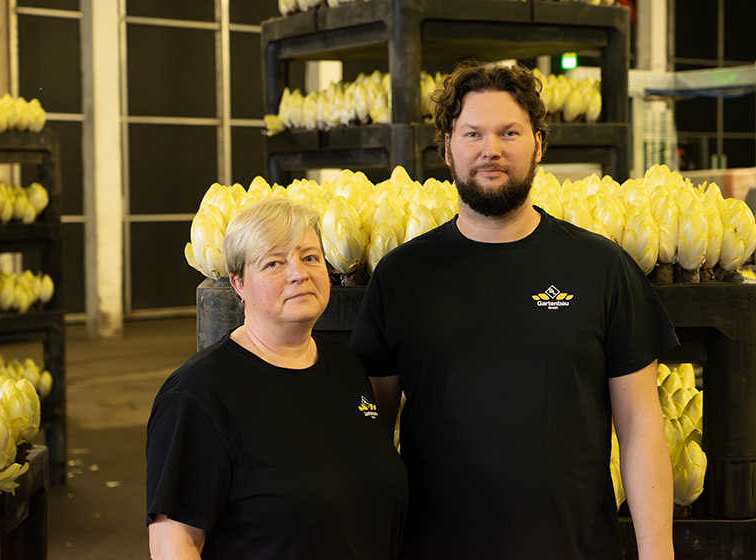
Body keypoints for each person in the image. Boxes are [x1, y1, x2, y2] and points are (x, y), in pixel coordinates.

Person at [349, 61, 678, 560]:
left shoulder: (601, 268)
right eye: (472, 134)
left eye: (509, 132)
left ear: (539, 144)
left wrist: (658, 553)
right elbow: (371, 433)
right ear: (446, 149)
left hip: (573, 547)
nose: (491, 150)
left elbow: (641, 425)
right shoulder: (400, 277)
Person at [146, 197, 408, 560]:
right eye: (273, 262)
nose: (298, 273)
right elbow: (175, 545)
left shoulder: (346, 366)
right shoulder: (197, 395)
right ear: (237, 283)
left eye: (310, 257)